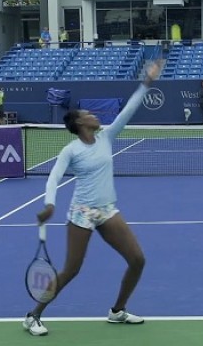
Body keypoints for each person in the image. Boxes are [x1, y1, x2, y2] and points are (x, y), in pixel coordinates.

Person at [22, 62, 160, 336]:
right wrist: (50, 204)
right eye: (89, 114)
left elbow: (129, 110)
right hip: (81, 213)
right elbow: (54, 178)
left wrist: (146, 82)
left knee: (137, 259)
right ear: (80, 123)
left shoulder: (107, 137)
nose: (95, 116)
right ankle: (32, 315)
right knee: (72, 269)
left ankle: (117, 310)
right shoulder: (71, 150)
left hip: (107, 210)